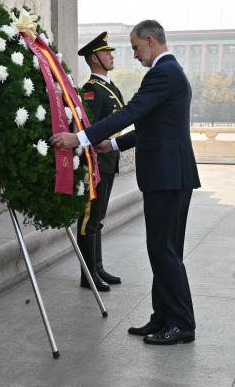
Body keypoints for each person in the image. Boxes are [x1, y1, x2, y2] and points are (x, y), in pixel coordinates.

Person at [52, 20, 200, 345]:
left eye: (135, 47)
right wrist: (114, 144)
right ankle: (162, 317)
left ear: (150, 40)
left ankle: (181, 322)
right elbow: (150, 124)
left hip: (168, 177)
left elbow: (132, 112)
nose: (133, 55)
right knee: (161, 249)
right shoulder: (169, 73)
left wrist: (79, 138)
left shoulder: (163, 73)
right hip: (169, 175)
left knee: (164, 251)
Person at [75, 32, 124, 292]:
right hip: (96, 161)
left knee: (99, 216)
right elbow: (89, 128)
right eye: (106, 53)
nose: (111, 56)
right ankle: (88, 274)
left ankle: (98, 267)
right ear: (94, 58)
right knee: (89, 218)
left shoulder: (109, 86)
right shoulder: (92, 89)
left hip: (109, 157)